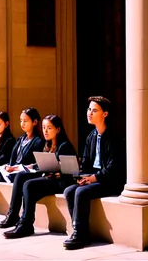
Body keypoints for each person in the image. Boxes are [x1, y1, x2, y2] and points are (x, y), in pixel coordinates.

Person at [0, 114, 77, 239]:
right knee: (20, 177)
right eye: (44, 127)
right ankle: (14, 216)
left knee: (29, 185)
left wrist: (57, 171)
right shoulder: (47, 145)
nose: (45, 131)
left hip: (62, 181)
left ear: (58, 129)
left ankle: (26, 224)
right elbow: (43, 165)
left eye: (49, 128)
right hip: (49, 177)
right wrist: (29, 167)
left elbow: (71, 170)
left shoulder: (65, 146)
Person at [63, 96, 124, 250]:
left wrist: (93, 178)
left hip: (109, 181)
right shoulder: (91, 136)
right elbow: (85, 163)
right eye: (89, 109)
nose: (89, 113)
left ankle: (80, 235)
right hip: (94, 179)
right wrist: (81, 176)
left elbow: (113, 167)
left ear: (105, 114)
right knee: (69, 191)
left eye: (94, 110)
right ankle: (79, 231)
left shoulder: (113, 137)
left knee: (81, 193)